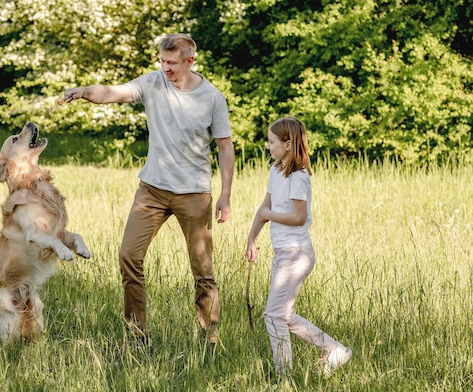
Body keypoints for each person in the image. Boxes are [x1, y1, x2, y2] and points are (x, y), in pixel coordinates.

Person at [61, 33, 234, 346]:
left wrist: (225, 195)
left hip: (193, 194)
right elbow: (113, 93)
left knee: (203, 270)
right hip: (151, 190)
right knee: (129, 255)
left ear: (189, 61)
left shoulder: (212, 98)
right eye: (162, 61)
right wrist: (84, 91)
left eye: (171, 63)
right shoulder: (153, 83)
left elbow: (225, 147)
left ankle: (209, 338)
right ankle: (137, 335)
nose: (165, 68)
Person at [245, 116, 351, 377]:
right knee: (283, 314)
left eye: (272, 142)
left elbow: (298, 217)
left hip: (297, 254)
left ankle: (284, 375)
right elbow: (264, 207)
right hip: (284, 253)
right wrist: (251, 238)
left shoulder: (299, 176)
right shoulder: (276, 170)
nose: (268, 146)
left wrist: (270, 215)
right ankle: (335, 349)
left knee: (273, 316)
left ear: (289, 143)